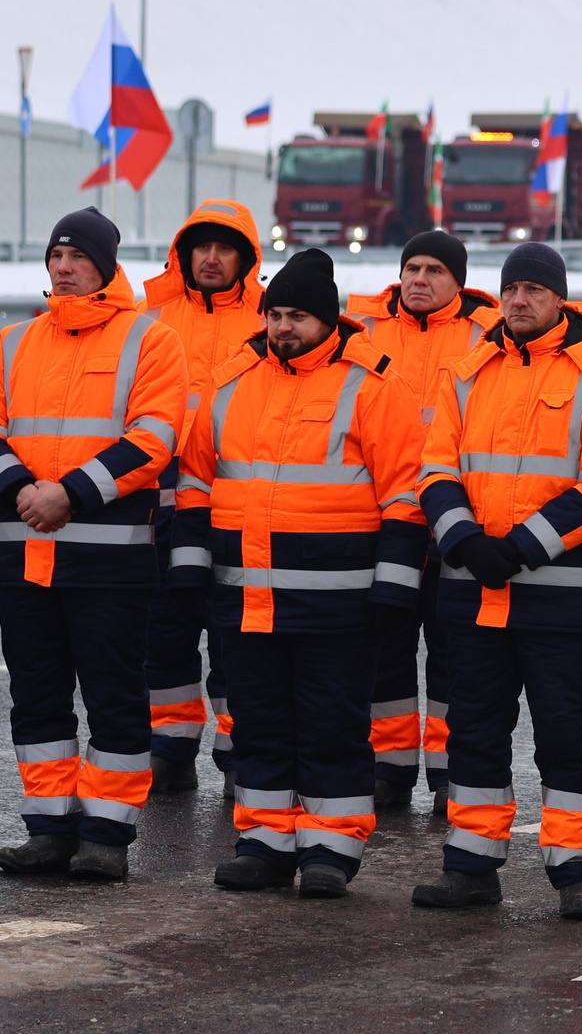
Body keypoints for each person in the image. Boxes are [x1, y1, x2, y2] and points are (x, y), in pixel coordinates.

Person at [175, 249, 427, 898]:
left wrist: (395, 581)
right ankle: (263, 840)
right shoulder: (232, 384)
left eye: (297, 316)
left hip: (340, 604)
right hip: (248, 597)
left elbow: (404, 490)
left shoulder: (370, 384)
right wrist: (190, 569)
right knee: (258, 722)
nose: (283, 326)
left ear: (328, 319)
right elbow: (197, 482)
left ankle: (330, 847)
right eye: (276, 314)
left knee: (331, 724)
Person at [0, 208, 188, 882]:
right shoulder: (11, 343)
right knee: (36, 694)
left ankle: (107, 833)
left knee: (113, 693)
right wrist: (24, 489)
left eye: (78, 256)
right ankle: (49, 826)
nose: (63, 266)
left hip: (108, 557)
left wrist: (68, 494)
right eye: (56, 254)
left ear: (106, 265)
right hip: (24, 552)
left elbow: (153, 437)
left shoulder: (150, 340)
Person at [410, 242, 582, 921]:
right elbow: (434, 466)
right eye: (512, 288)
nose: (520, 300)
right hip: (474, 588)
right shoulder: (466, 371)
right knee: (473, 728)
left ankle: (576, 871)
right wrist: (465, 541)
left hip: (560, 595)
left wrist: (519, 546)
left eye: (535, 289)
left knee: (566, 731)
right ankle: (471, 866)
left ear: (560, 298)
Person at [347, 230, 498, 812]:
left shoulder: (488, 334)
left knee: (454, 657)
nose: (419, 279)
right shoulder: (364, 331)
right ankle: (390, 768)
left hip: (454, 526)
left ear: (458, 281)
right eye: (412, 267)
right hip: (384, 524)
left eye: (434, 270)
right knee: (385, 653)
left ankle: (447, 773)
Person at [139, 200, 265, 797]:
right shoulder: (150, 318)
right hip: (160, 498)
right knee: (164, 627)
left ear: (245, 257)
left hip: (240, 499)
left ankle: (240, 749)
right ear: (183, 254)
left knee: (237, 629)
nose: (211, 259)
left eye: (225, 248)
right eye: (201, 247)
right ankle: (169, 745)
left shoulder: (275, 317)